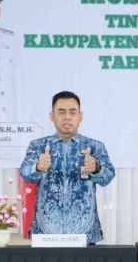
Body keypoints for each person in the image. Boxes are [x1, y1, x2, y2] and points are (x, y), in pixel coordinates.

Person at [19, 91, 115, 245]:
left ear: (80, 116)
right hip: (46, 231)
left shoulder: (94, 146)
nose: (67, 117)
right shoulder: (38, 146)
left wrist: (96, 168)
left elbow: (108, 177)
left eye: (72, 112)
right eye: (61, 112)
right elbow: (25, 173)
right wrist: (38, 167)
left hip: (85, 232)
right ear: (52, 116)